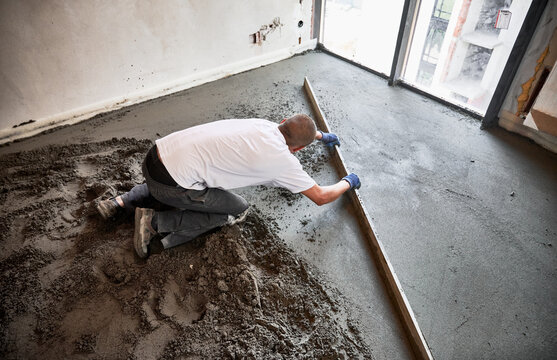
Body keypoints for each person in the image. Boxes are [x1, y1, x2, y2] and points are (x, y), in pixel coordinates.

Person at [96, 114, 360, 258]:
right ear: (299, 149)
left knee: (188, 171)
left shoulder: (263, 124)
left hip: (155, 155)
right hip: (169, 183)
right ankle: (153, 224)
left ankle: (119, 202)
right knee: (236, 209)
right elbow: (322, 196)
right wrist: (347, 182)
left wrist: (321, 136)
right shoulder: (284, 162)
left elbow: (294, 128)